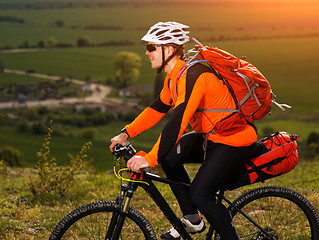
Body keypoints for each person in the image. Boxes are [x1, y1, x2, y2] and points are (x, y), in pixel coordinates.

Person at [109, 21, 258, 240]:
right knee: (170, 158)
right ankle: (193, 220)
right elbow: (157, 108)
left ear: (168, 49)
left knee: (200, 194)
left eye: (151, 48)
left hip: (234, 140)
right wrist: (126, 133)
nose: (147, 53)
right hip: (213, 136)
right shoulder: (175, 76)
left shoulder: (194, 75)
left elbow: (178, 122)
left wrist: (149, 159)